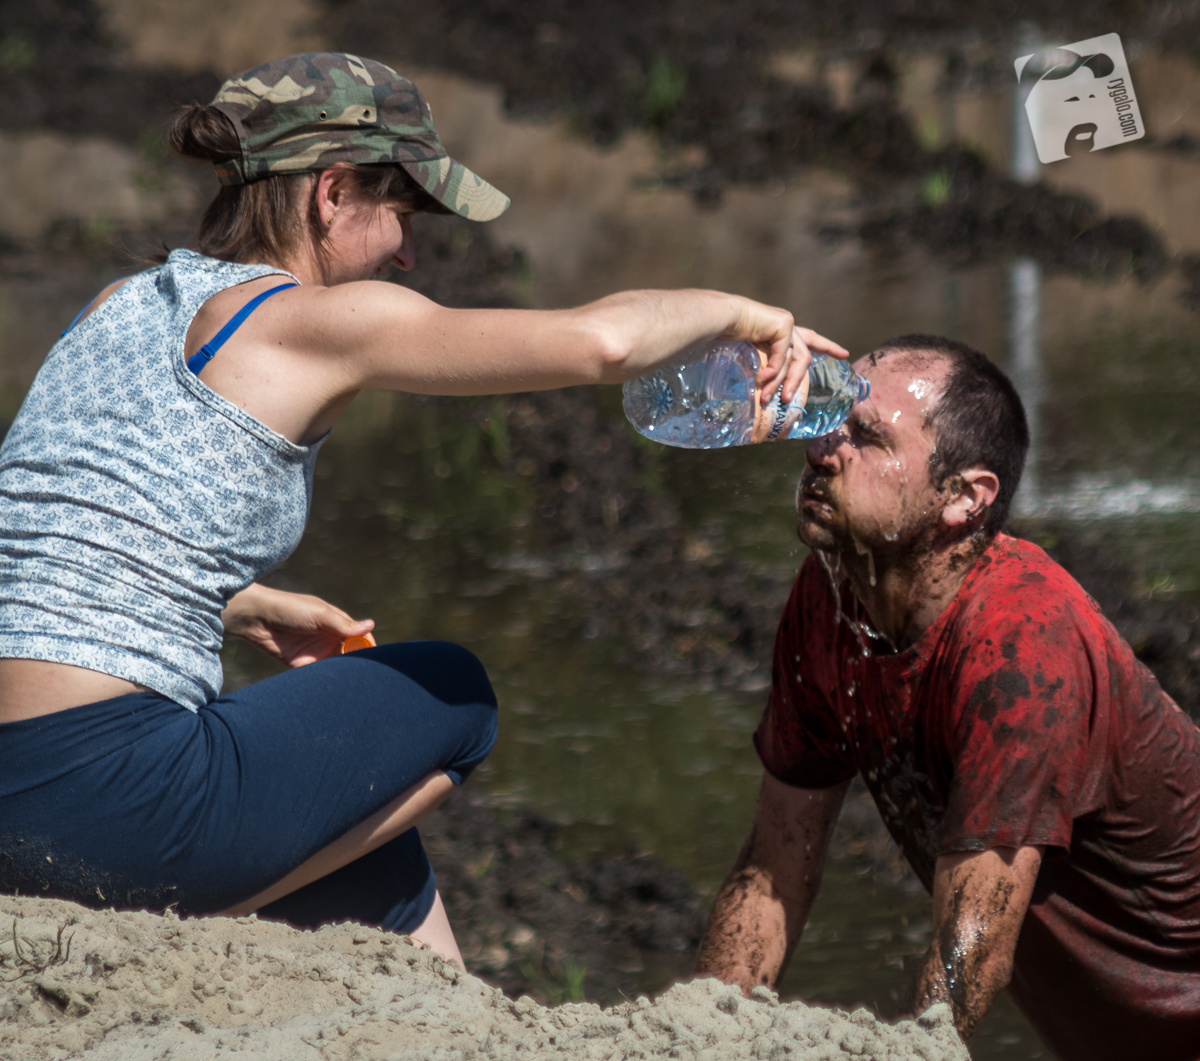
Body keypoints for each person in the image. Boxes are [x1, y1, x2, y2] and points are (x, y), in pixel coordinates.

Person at [0, 52, 845, 965]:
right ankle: (198, 910)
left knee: (351, 800)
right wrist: (747, 314)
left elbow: (43, 529)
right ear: (332, 193)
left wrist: (232, 604)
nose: (407, 252)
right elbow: (600, 343)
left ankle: (447, 1004)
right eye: (403, 210)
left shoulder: (115, 304)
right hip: (105, 807)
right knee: (455, 691)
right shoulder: (308, 321)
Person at [695, 335, 1200, 1060]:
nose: (820, 448)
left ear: (964, 498)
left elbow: (973, 947)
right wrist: (700, 1038)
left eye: (865, 435)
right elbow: (774, 866)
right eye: (826, 420)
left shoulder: (1020, 644)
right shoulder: (832, 596)